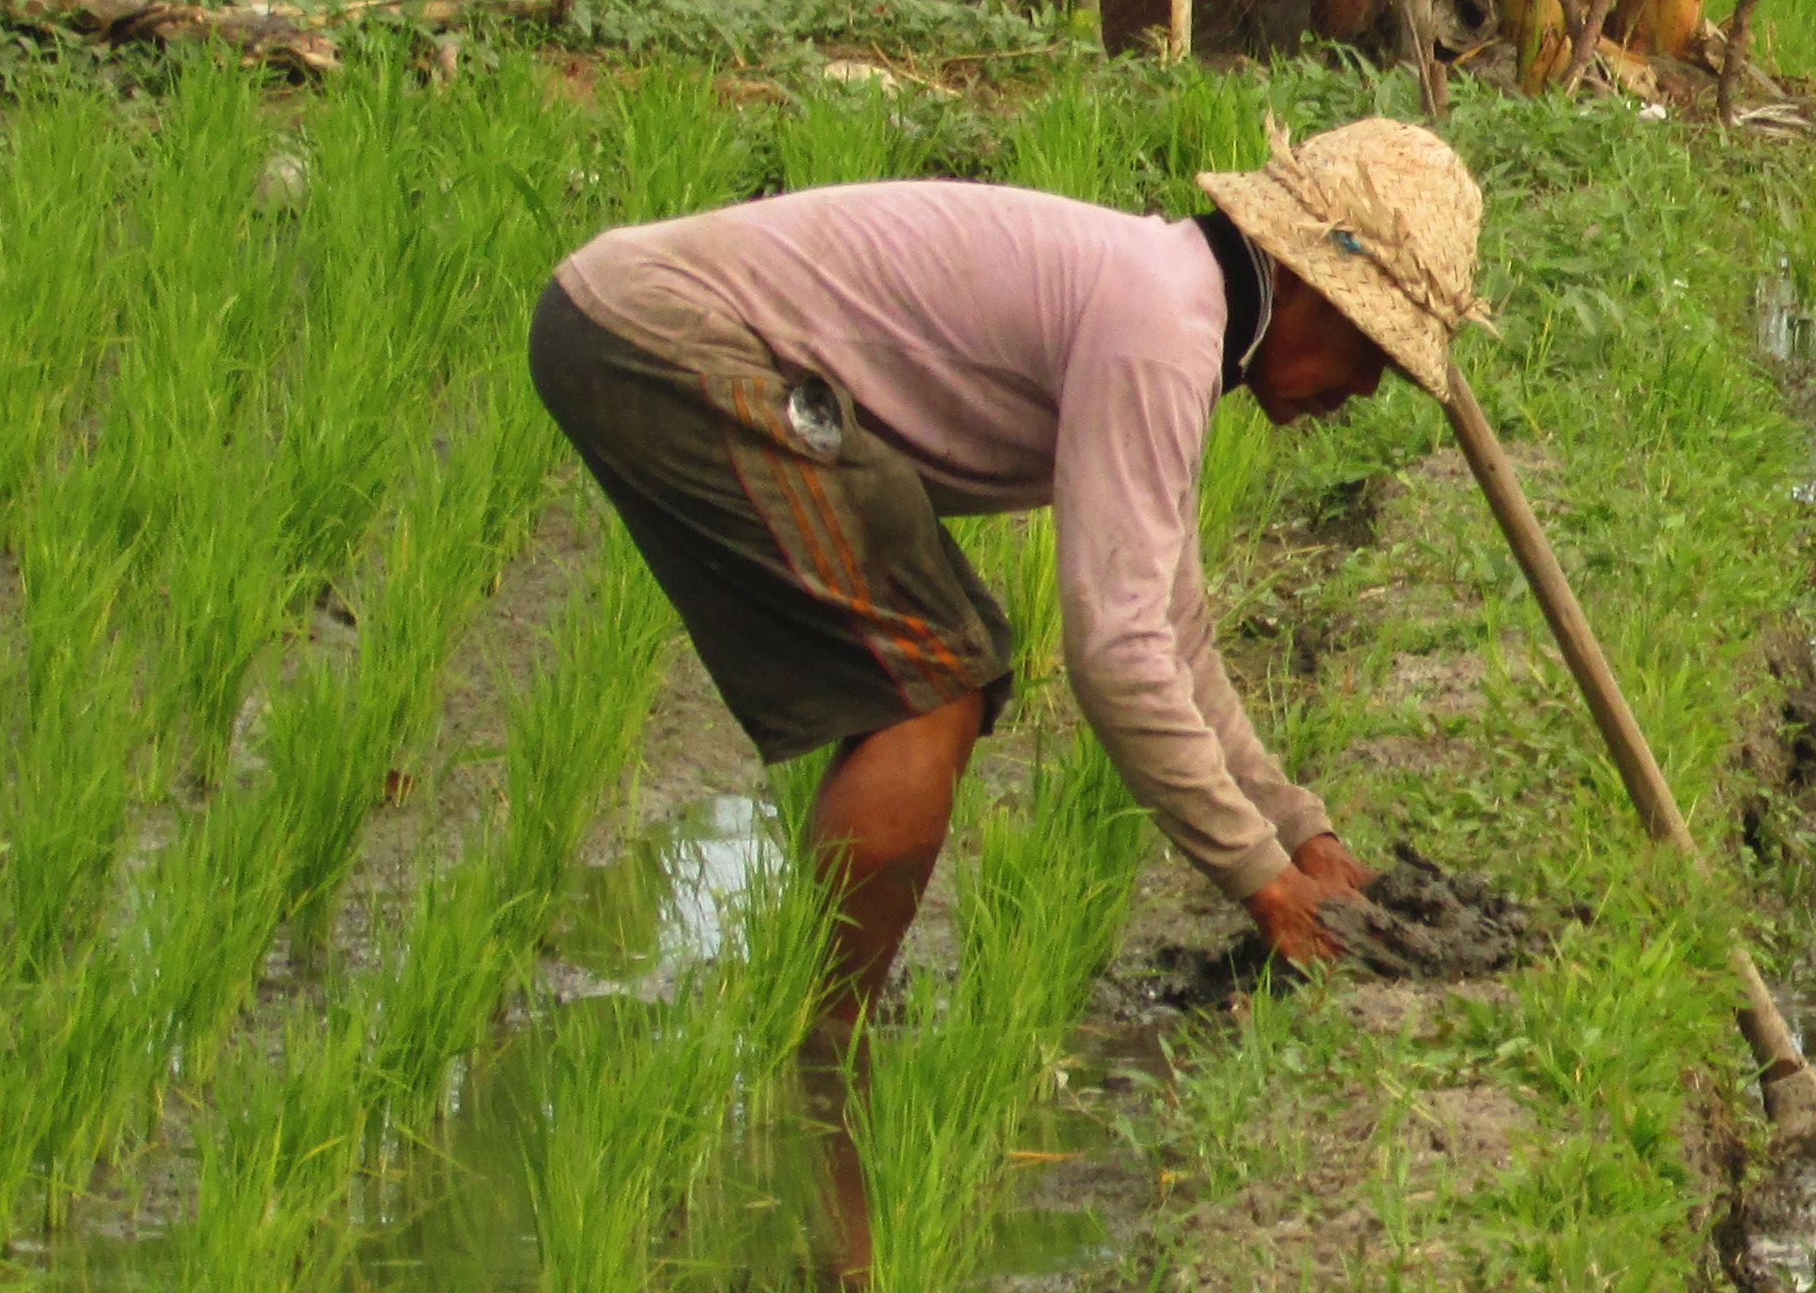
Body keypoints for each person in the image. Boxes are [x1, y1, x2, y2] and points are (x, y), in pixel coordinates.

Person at [527, 116, 1492, 1058]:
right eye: (1371, 348)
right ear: (1302, 283)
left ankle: (822, 1012)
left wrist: (1300, 835)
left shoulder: (1174, 314)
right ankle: (825, 1040)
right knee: (929, 686)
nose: (1366, 389)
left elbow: (1171, 628)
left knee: (939, 670)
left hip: (632, 316)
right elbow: (1116, 660)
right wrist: (1265, 886)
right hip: (654, 332)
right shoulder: (1160, 330)